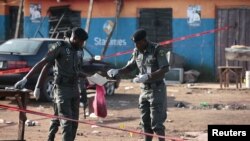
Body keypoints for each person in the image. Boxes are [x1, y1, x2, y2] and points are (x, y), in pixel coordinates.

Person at [14, 27, 88, 141]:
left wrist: (90, 78)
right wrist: (27, 79)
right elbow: (44, 63)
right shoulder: (60, 47)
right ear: (75, 38)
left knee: (74, 122)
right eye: (81, 41)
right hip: (61, 89)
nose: (82, 44)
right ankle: (51, 137)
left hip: (74, 89)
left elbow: (77, 71)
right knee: (66, 122)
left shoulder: (79, 50)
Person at [107, 29, 169, 141]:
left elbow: (165, 68)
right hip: (144, 90)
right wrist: (118, 71)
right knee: (145, 123)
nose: (136, 46)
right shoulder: (136, 51)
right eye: (135, 44)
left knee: (157, 124)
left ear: (144, 41)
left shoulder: (157, 49)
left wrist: (148, 76)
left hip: (157, 90)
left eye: (138, 43)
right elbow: (130, 67)